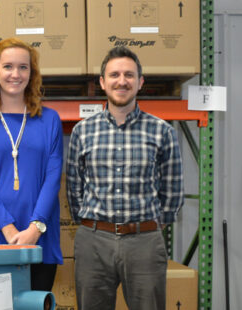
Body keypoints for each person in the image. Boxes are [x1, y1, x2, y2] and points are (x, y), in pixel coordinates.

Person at [65, 46, 184, 310]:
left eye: (129, 75)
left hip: (144, 241)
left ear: (140, 82)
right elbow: (74, 188)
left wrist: (149, 227)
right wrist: (89, 224)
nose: (122, 81)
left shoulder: (161, 131)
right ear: (102, 82)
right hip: (93, 241)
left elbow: (173, 190)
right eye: (114, 74)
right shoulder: (83, 131)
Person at [0, 38, 63, 292]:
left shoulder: (49, 119)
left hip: (39, 237)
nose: (15, 74)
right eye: (8, 67)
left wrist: (35, 228)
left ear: (32, 73)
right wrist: (7, 228)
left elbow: (53, 177)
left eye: (23, 67)